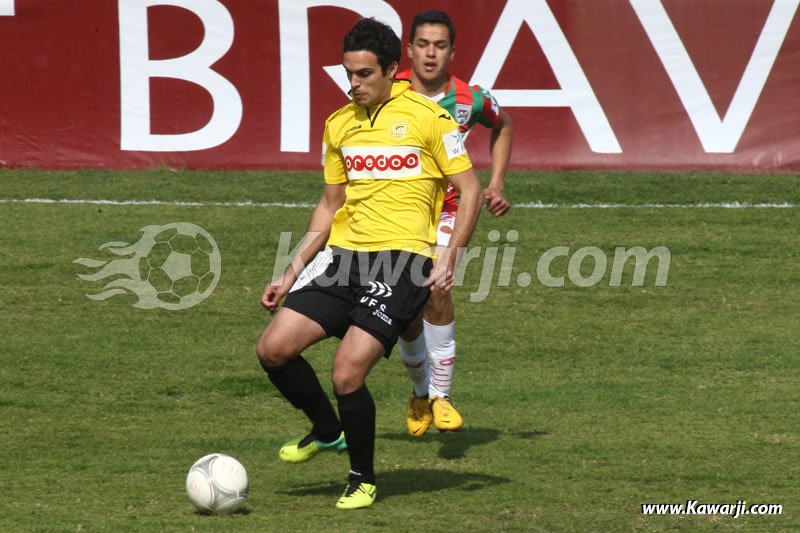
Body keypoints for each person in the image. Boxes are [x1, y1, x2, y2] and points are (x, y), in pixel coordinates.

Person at [256, 17, 483, 510]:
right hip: (343, 260)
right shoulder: (339, 124)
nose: (354, 84)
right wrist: (291, 272)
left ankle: (362, 479)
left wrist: (450, 255)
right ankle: (327, 431)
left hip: (403, 263)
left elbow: (471, 190)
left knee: (346, 373)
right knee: (273, 349)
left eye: (364, 74)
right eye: (349, 74)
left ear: (391, 70)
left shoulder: (429, 118)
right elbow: (329, 204)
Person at [396, 10, 514, 437]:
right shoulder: (389, 92)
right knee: (406, 304)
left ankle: (441, 396)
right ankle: (419, 391)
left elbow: (503, 124)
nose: (431, 53)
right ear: (409, 49)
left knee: (438, 287)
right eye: (423, 44)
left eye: (440, 45)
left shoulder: (470, 99)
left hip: (448, 209)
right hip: (400, 212)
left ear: (452, 52)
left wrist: (496, 182)